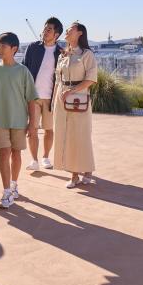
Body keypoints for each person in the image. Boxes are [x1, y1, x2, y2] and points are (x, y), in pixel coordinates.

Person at [0, 32, 38, 209]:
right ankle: (6, 192)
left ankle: (14, 184)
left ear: (14, 49)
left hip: (19, 121)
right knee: (4, 153)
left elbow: (32, 100)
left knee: (16, 154)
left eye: (2, 46)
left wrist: (32, 125)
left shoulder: (23, 71)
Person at [52, 22, 98, 189]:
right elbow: (58, 79)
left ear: (80, 33)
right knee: (64, 135)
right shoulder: (62, 55)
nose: (67, 31)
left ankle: (76, 174)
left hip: (78, 98)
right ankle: (83, 171)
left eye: (70, 29)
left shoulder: (87, 54)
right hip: (61, 97)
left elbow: (91, 79)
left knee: (80, 135)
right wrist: (54, 101)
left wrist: (72, 91)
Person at [22, 17, 63, 172]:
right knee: (32, 129)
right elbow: (24, 70)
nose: (45, 32)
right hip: (33, 97)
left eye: (49, 30)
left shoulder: (61, 52)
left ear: (56, 34)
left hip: (51, 98)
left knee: (49, 129)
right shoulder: (33, 48)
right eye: (45, 28)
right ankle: (34, 160)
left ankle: (45, 157)